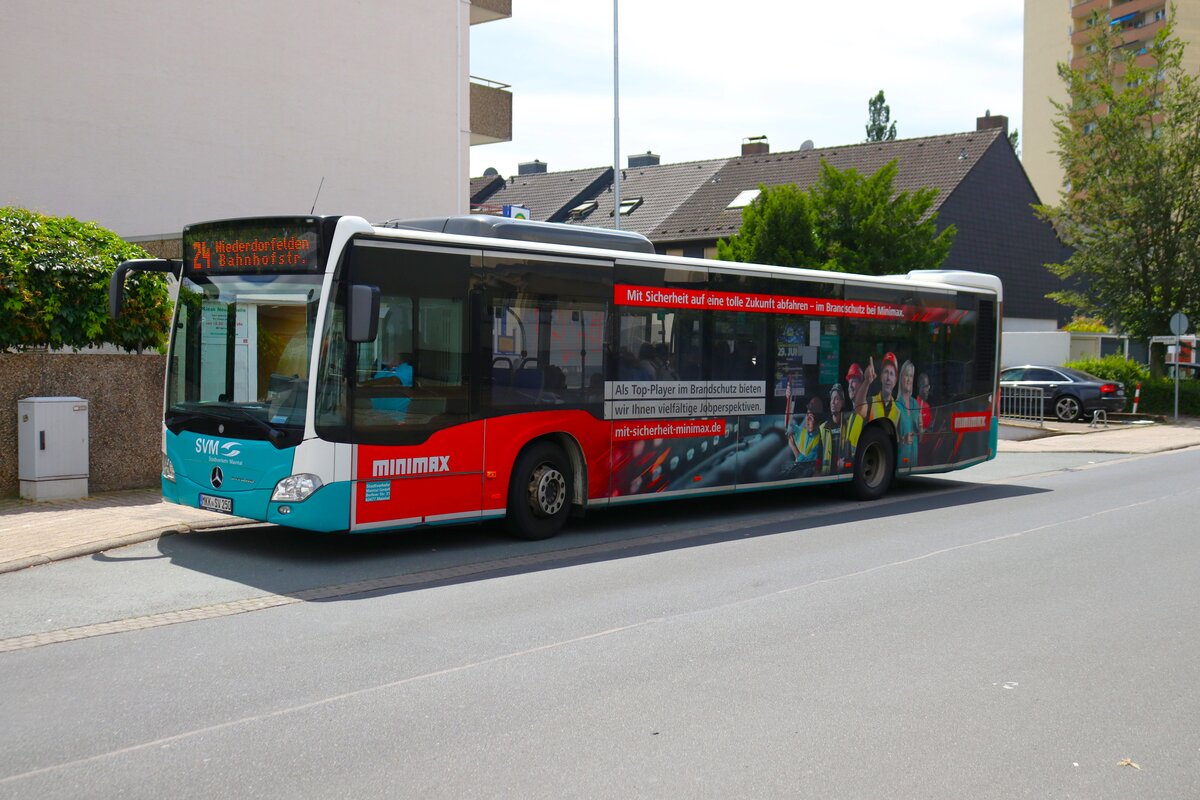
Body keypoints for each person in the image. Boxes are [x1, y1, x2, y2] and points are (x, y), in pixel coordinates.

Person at [819, 383, 862, 475]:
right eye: (831, 399)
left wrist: (846, 463)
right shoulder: (823, 428)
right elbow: (819, 456)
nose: (833, 402)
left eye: (836, 399)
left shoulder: (849, 426)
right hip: (827, 475)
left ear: (842, 403)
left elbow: (856, 451)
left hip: (844, 473)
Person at [783, 380, 822, 478]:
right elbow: (788, 424)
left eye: (811, 416)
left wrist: (793, 446)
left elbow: (805, 462)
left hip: (806, 474)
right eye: (807, 415)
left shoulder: (819, 439)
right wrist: (789, 399)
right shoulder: (802, 432)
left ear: (817, 420)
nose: (808, 419)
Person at [896, 359, 922, 467]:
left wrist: (921, 429)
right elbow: (892, 438)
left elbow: (920, 437)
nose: (908, 379)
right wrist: (903, 439)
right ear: (901, 378)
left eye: (911, 376)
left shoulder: (915, 404)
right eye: (906, 375)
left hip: (914, 461)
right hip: (901, 462)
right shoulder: (896, 405)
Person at [862, 352, 900, 426]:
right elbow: (859, 409)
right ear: (881, 377)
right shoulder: (870, 402)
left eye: (891, 374)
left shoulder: (898, 413)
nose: (888, 378)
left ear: (895, 381)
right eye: (886, 372)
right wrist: (866, 381)